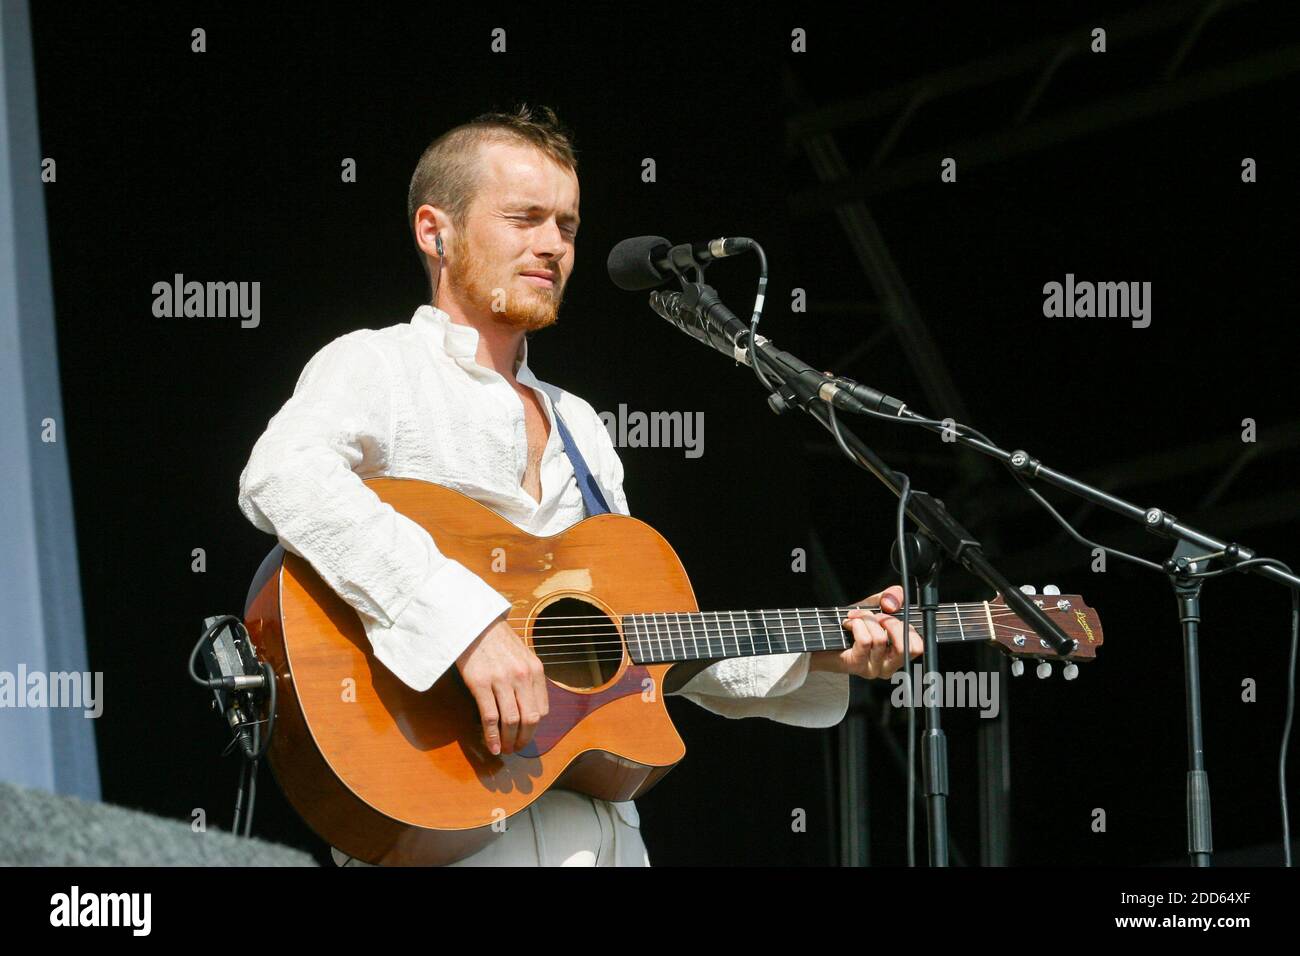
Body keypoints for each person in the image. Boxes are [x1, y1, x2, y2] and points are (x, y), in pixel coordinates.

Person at [237, 104, 922, 866]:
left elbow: (636, 643)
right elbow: (282, 476)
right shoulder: (379, 365)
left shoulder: (581, 424)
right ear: (437, 230)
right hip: (446, 823)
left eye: (566, 224)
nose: (552, 245)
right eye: (524, 218)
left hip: (605, 842)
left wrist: (824, 650)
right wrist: (464, 625)